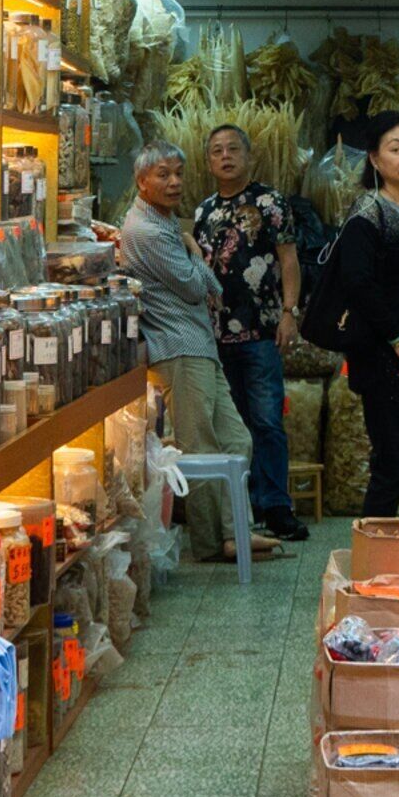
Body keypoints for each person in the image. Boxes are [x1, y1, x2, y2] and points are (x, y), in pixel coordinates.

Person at [115, 141, 280, 563]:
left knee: (237, 439)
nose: (174, 182)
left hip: (198, 344)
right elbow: (197, 287)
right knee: (202, 447)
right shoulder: (148, 231)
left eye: (178, 173)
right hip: (179, 348)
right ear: (142, 181)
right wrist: (196, 251)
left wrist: (191, 251)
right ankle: (212, 542)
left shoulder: (164, 221)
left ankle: (234, 530)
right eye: (163, 175)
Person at [323, 112, 399, 519]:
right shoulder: (368, 211)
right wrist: (397, 339)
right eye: (396, 149)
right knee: (393, 467)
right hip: (386, 356)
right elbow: (358, 283)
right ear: (375, 160)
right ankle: (372, 552)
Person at [191, 123, 309, 544]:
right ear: (209, 161)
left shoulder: (270, 201)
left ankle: (275, 507)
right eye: (217, 150)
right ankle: (241, 509)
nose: (225, 156)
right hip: (214, 336)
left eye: (233, 149)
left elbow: (289, 259)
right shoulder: (204, 211)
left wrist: (289, 312)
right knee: (232, 427)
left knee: (266, 420)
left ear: (248, 155)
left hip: (260, 331)